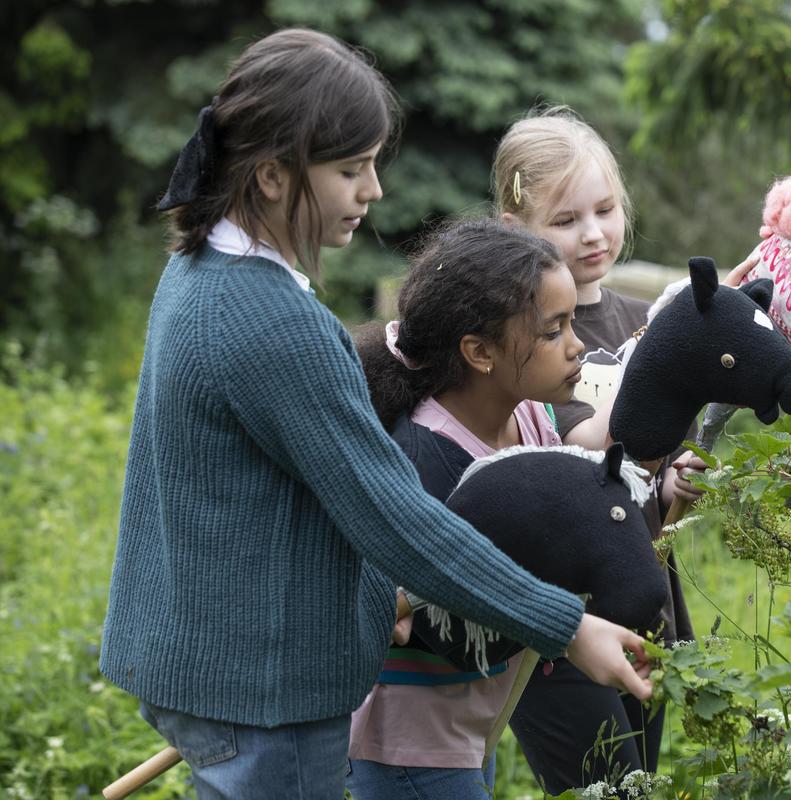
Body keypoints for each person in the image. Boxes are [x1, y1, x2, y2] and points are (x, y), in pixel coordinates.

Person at [98, 30, 650, 800]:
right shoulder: (271, 323)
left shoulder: (198, 271)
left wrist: (365, 599)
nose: (374, 191)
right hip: (268, 692)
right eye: (351, 169)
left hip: (204, 661)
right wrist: (568, 625)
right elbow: (393, 516)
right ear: (271, 176)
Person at [492, 107, 756, 792]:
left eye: (605, 210)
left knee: (638, 780)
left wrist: (676, 486)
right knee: (602, 783)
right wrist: (668, 349)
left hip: (645, 595)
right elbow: (580, 448)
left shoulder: (641, 318)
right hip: (563, 611)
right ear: (515, 228)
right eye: (565, 219)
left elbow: (652, 473)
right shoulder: (522, 334)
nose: (593, 233)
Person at [345, 217, 584, 799]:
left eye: (572, 322)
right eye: (553, 331)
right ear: (479, 352)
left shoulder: (529, 416)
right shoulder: (425, 462)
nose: (576, 345)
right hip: (412, 742)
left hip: (470, 722)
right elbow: (434, 610)